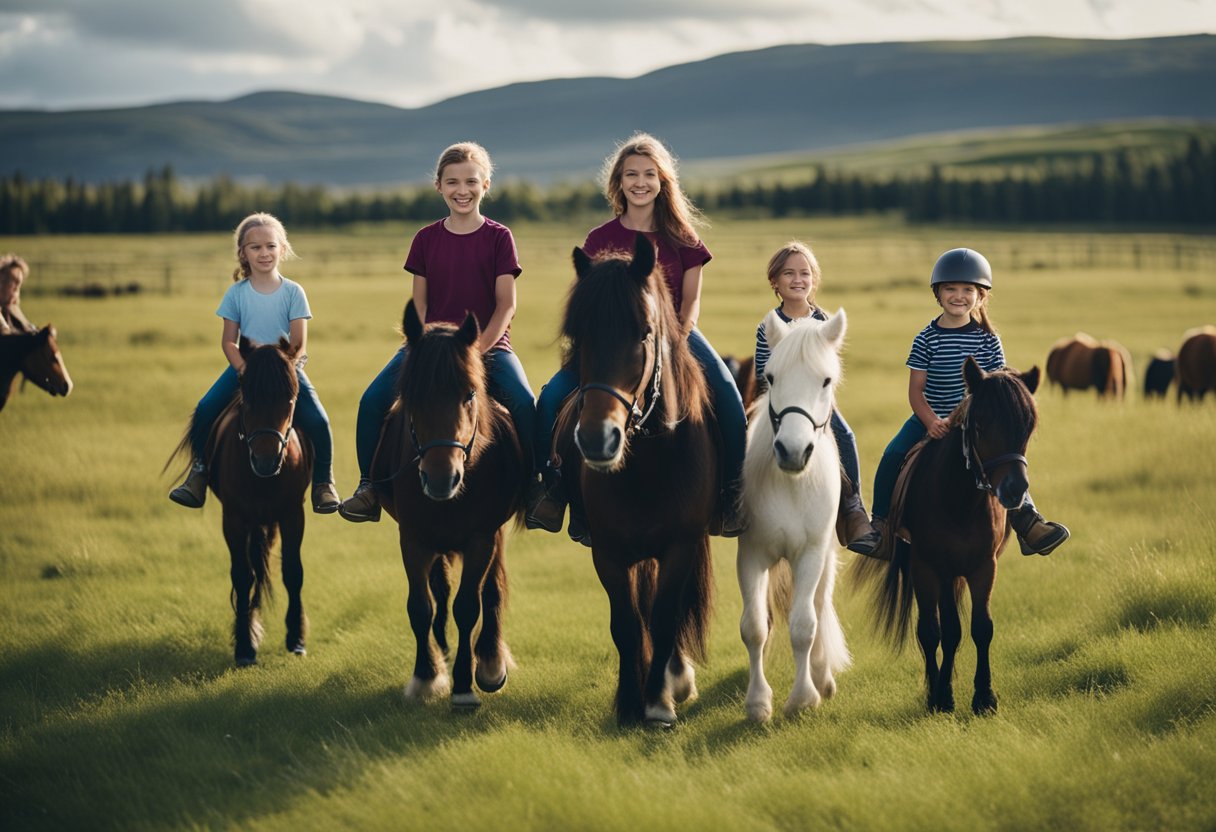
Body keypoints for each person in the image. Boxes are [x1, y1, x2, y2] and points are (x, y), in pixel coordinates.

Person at [525, 132, 747, 540]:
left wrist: (677, 336)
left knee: (729, 395)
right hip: (608, 345)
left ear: (663, 181)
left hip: (674, 336)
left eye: (648, 174)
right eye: (631, 174)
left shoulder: (684, 239)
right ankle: (554, 490)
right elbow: (589, 302)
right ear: (619, 182)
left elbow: (692, 302)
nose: (639, 182)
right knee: (553, 397)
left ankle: (732, 493)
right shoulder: (598, 239)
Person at [339, 141, 535, 523]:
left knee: (525, 404)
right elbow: (420, 306)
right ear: (439, 186)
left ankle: (538, 487)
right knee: (371, 400)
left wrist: (473, 350)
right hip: (427, 350)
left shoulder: (499, 237)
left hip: (489, 347)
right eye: (452, 182)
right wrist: (429, 350)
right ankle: (368, 488)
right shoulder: (426, 239)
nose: (462, 190)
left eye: (471, 182)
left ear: (486, 185)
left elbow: (506, 305)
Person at [869, 247, 1069, 556]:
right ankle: (880, 527)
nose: (958, 296)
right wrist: (931, 422)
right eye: (950, 289)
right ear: (938, 293)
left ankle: (1028, 522)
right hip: (930, 416)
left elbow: (998, 387)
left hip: (976, 422)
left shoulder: (988, 338)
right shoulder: (926, 338)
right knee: (893, 453)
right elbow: (915, 392)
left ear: (981, 296)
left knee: (1007, 461)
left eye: (967, 290)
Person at [169, 213, 341, 513]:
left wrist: (286, 365)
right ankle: (198, 473)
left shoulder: (293, 292)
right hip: (245, 369)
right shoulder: (236, 294)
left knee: (319, 421)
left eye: (270, 246)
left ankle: (324, 483)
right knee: (205, 410)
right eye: (255, 247)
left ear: (282, 250)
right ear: (243, 253)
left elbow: (299, 343)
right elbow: (228, 341)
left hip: (284, 370)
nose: (264, 253)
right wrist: (243, 369)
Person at [752, 241, 881, 555]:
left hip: (815, 406)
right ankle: (736, 501)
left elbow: (829, 371)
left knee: (845, 435)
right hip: (779, 405)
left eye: (805, 273)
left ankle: (853, 509)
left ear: (814, 280)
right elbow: (761, 373)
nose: (798, 279)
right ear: (775, 282)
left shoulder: (824, 322)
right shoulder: (769, 325)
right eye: (789, 273)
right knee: (745, 440)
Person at [0, 254, 37, 335]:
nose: (16, 289)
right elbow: (6, 334)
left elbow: (29, 328)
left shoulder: (13, 308)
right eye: (11, 282)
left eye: (18, 284)